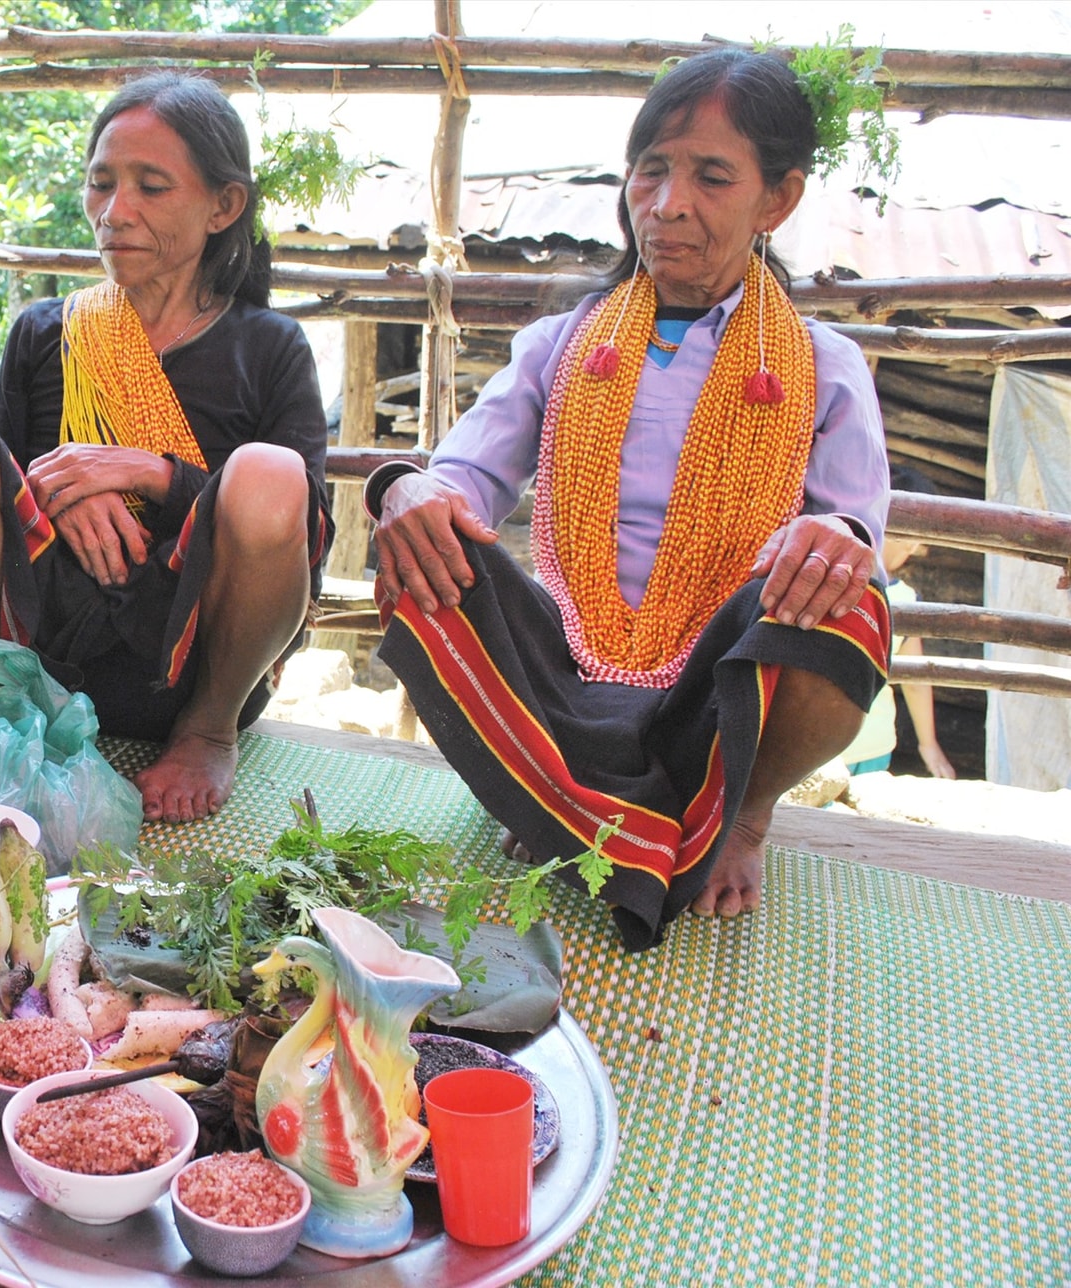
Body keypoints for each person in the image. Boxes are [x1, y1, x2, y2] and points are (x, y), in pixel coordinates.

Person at [370, 48, 891, 951]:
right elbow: (466, 477)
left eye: (711, 176)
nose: (668, 204)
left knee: (847, 605)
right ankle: (541, 789)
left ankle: (742, 815)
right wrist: (413, 489)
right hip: (562, 668)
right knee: (420, 541)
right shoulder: (560, 343)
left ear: (779, 199)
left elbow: (856, 528)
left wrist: (833, 537)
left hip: (721, 689)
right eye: (652, 170)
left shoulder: (820, 366)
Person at [0, 72, 331, 823]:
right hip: (54, 646)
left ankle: (208, 732)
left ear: (223, 207)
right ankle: (12, 699)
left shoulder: (268, 346)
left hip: (195, 660)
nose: (115, 212)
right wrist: (68, 487)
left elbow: (303, 531)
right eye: (102, 184)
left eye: (151, 187)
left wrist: (152, 473)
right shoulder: (47, 331)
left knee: (270, 473)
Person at [841, 465, 956, 779]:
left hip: (821, 744)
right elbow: (916, 681)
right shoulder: (903, 599)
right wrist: (927, 744)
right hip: (873, 743)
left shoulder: (834, 578)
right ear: (913, 540)